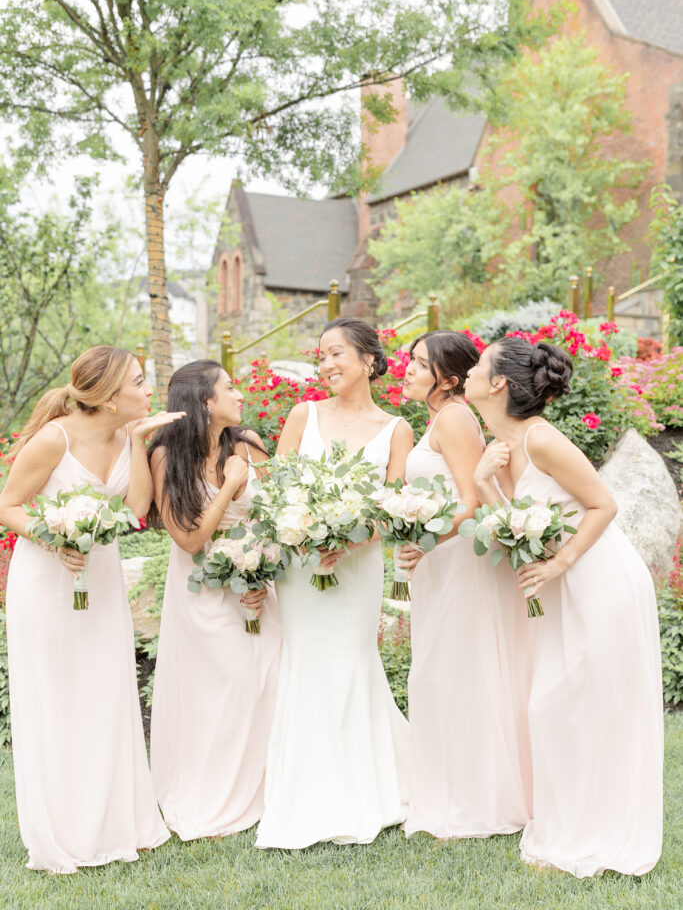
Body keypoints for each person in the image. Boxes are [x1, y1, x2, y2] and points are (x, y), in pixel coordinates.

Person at [464, 336, 663, 878]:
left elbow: (604, 504)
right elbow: (509, 530)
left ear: (499, 383)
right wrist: (483, 481)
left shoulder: (542, 439)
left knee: (581, 708)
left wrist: (558, 565)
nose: (470, 372)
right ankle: (565, 825)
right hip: (557, 589)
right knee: (553, 708)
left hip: (598, 579)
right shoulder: (497, 443)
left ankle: (595, 835)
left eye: (479, 366)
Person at [0, 346, 181, 873]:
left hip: (99, 578)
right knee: (57, 700)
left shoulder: (130, 436)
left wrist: (140, 438)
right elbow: (9, 505)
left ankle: (117, 822)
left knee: (106, 693)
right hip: (46, 581)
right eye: (140, 382)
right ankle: (64, 832)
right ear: (107, 396)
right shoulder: (52, 439)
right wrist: (52, 537)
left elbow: (137, 513)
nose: (149, 390)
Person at [255, 318, 414, 849]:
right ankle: (304, 790)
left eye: (336, 353)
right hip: (301, 566)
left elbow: (392, 508)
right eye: (320, 356)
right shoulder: (304, 415)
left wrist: (352, 536)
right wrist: (300, 529)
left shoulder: (397, 429)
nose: (326, 364)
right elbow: (276, 490)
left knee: (351, 660)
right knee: (307, 663)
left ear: (369, 360)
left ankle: (364, 788)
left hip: (357, 564)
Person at [399, 331, 532, 839]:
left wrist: (424, 537)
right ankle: (454, 787)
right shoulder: (441, 416)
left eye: (418, 363)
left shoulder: (454, 417)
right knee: (442, 670)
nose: (407, 370)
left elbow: (471, 501)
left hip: (457, 562)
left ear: (448, 380)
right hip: (442, 561)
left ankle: (474, 798)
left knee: (453, 671)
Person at [148, 360, 281, 839]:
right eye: (229, 387)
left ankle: (266, 789)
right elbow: (188, 539)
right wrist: (228, 487)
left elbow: (281, 512)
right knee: (226, 684)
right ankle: (215, 792)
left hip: (259, 586)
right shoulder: (167, 455)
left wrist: (263, 570)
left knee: (266, 679)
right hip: (201, 590)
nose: (239, 393)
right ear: (205, 400)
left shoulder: (247, 443)